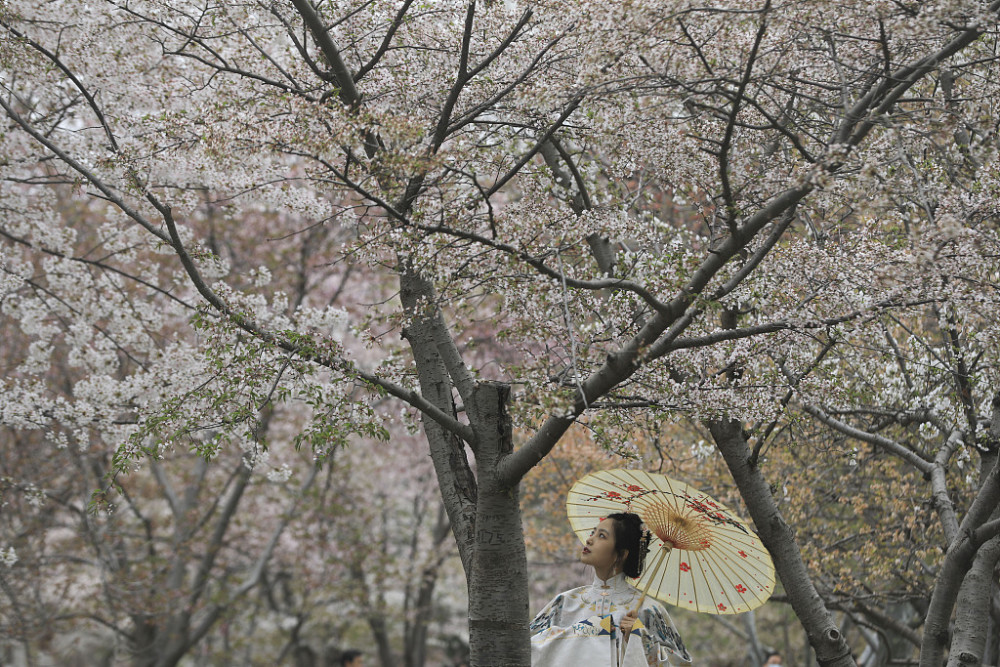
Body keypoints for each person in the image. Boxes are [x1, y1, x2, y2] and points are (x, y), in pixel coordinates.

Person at [530, 512, 692, 666]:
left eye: (602, 536)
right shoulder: (565, 602)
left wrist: (640, 639)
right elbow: (526, 649)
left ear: (622, 554)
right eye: (593, 533)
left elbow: (679, 663)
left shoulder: (649, 610)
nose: (589, 540)